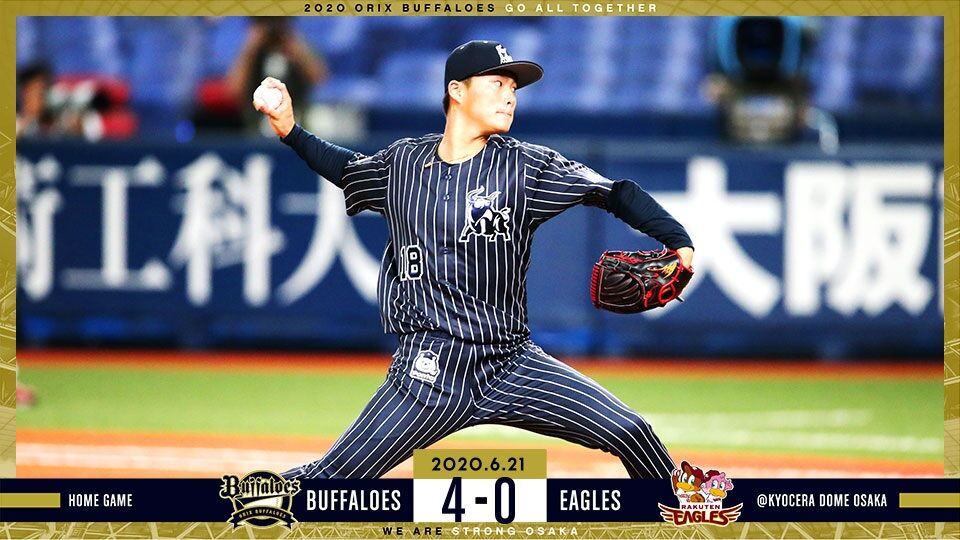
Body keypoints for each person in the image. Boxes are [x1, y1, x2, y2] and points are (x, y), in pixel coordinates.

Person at [254, 41, 694, 480]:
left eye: (514, 89)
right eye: (497, 83)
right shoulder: (403, 164)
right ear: (457, 91)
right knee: (332, 479)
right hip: (428, 371)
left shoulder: (527, 167)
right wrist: (290, 129)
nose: (510, 96)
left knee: (632, 431)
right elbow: (348, 169)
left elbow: (614, 193)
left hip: (512, 362)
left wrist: (677, 240)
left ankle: (681, 513)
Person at [227, 17, 327, 136]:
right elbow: (234, 90)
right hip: (257, 122)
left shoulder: (295, 48)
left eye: (279, 21)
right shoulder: (251, 54)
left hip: (297, 119)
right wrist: (251, 48)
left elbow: (318, 78)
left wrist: (294, 46)